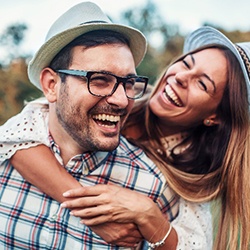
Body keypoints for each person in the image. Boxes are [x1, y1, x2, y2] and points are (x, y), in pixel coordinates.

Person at [2, 24, 250, 250]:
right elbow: (20, 135)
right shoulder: (125, 96)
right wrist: (92, 214)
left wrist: (147, 214)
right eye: (186, 64)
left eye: (203, 84)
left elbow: (194, 244)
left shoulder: (188, 175)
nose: (181, 77)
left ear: (215, 116)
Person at [0, 2, 182, 249]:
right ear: (52, 85)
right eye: (99, 80)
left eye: (128, 83)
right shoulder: (6, 156)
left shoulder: (153, 188)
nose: (120, 100)